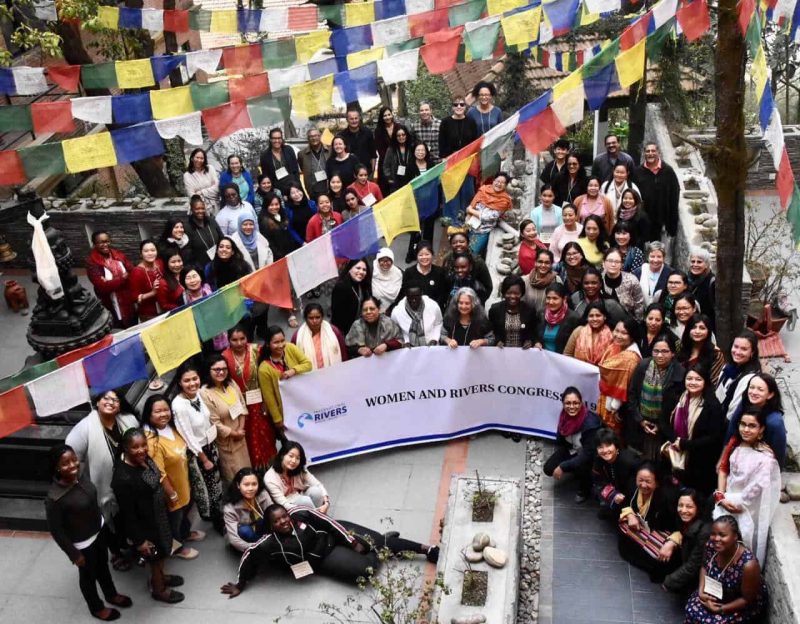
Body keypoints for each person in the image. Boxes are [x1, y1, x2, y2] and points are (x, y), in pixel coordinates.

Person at [220, 504, 439, 597]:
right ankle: (381, 546)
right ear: (271, 525)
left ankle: (425, 549)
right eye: (277, 521)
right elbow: (249, 555)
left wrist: (352, 542)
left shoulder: (300, 513)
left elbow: (329, 522)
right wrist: (240, 584)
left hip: (336, 534)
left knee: (376, 541)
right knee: (366, 573)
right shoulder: (268, 541)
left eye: (285, 517)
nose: (284, 522)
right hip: (322, 558)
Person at [46, 444, 132, 621]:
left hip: (99, 532)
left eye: (73, 460)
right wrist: (74, 554)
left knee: (103, 567)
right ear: (56, 467)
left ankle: (111, 594)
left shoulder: (81, 475)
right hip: (83, 544)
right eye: (65, 463)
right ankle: (96, 607)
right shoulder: (55, 498)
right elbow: (56, 531)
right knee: (88, 576)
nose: (72, 465)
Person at [65, 390, 138, 570]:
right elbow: (72, 456)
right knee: (108, 522)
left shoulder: (128, 421)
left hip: (128, 482)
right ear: (97, 402)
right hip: (101, 486)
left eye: (115, 399)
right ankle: (116, 553)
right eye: (106, 398)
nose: (111, 402)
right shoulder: (84, 429)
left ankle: (132, 544)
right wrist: (83, 482)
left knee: (128, 516)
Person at [111, 429, 185, 604]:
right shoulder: (123, 478)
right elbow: (128, 514)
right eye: (135, 447)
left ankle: (160, 576)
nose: (141, 450)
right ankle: (159, 590)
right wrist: (140, 541)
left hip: (158, 515)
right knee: (154, 555)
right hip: (145, 525)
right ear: (125, 449)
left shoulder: (144, 459)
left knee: (162, 551)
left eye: (144, 445)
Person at [715, 410, 781, 565]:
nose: (746, 429)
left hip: (746, 511)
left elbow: (756, 489)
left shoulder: (765, 458)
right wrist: (721, 496)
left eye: (752, 426)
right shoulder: (735, 443)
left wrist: (735, 503)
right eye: (743, 424)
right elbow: (724, 469)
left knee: (738, 551)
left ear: (761, 429)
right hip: (725, 502)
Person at [140, 395, 199, 560]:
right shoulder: (152, 440)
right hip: (171, 489)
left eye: (166, 410)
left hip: (183, 482)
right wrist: (171, 493)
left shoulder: (170, 427)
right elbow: (159, 472)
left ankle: (185, 533)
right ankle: (177, 547)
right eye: (158, 411)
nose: (163, 414)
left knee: (183, 514)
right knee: (174, 518)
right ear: (149, 414)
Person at [683, 515, 767, 622]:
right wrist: (701, 592)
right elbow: (704, 567)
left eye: (722, 535)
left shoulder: (748, 565)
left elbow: (747, 599)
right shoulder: (711, 546)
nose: (716, 539)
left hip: (738, 603)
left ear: (735, 536)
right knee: (691, 610)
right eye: (713, 534)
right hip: (716, 592)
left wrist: (720, 609)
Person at [171, 362, 224, 533]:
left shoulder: (198, 394)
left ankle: (219, 513)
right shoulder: (179, 405)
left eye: (195, 378)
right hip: (198, 452)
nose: (192, 383)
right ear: (179, 382)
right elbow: (187, 435)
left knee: (216, 483)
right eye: (187, 380)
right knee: (209, 489)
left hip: (210, 445)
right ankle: (217, 521)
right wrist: (204, 458)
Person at [661, 364, 724, 494]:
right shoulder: (677, 397)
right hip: (675, 454)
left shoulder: (712, 405)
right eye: (689, 379)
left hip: (699, 461)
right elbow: (663, 421)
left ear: (705, 381)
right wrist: (675, 440)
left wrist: (685, 444)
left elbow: (713, 437)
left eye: (698, 379)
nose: (693, 382)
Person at [222, 326, 277, 473]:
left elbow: (266, 371)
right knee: (248, 437)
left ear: (247, 338)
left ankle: (271, 466)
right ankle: (255, 471)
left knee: (265, 433)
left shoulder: (256, 350)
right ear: (228, 341)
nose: (239, 343)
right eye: (234, 340)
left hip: (259, 400)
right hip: (238, 404)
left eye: (242, 339)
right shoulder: (225, 357)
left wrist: (267, 399)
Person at [625, 335, 686, 459]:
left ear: (673, 353)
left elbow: (678, 406)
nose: (659, 355)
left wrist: (661, 424)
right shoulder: (643, 366)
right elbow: (632, 394)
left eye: (665, 351)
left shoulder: (680, 373)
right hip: (640, 424)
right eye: (656, 351)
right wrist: (640, 420)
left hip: (665, 428)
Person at [617, 463, 679, 578]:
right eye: (640, 480)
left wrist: (672, 542)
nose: (643, 485)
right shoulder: (632, 486)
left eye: (648, 481)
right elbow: (625, 503)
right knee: (623, 524)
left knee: (661, 555)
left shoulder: (666, 498)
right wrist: (630, 515)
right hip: (641, 527)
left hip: (661, 530)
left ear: (657, 482)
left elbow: (678, 525)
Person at [544, 387, 603, 503]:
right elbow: (561, 438)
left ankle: (585, 488)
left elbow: (588, 453)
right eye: (568, 403)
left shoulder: (590, 424)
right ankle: (574, 469)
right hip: (572, 449)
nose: (571, 407)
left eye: (575, 403)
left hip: (589, 456)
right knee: (548, 468)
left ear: (581, 403)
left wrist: (562, 466)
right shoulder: (564, 417)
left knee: (583, 466)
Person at [200, 355, 251, 483]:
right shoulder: (204, 393)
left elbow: (242, 406)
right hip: (227, 442)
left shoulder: (231, 384)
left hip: (240, 437)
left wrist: (240, 429)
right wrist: (234, 433)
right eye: (216, 369)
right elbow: (214, 422)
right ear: (208, 370)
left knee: (247, 473)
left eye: (224, 369)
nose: (221, 372)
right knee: (235, 478)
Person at [257, 326, 312, 438]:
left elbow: (308, 364)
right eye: (276, 342)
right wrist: (278, 420)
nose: (281, 345)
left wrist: (293, 370)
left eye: (282, 341)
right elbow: (269, 397)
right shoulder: (264, 368)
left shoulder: (291, 348)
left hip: (303, 403)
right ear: (268, 344)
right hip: (285, 412)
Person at [724, 373, 787, 467]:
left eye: (760, 389)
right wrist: (723, 460)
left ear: (770, 394)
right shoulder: (744, 404)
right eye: (751, 387)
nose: (753, 392)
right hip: (738, 458)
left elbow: (779, 453)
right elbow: (731, 430)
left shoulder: (774, 422)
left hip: (760, 467)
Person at [661, 490, 712, 594]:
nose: (683, 510)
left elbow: (693, 565)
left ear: (698, 508)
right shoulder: (682, 520)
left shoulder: (704, 532)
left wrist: (669, 582)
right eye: (680, 505)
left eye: (689, 507)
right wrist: (673, 541)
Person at [597, 319, 642, 435]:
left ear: (632, 336)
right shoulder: (613, 347)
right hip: (604, 398)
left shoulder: (631, 359)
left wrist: (619, 409)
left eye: (624, 333)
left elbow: (627, 387)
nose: (618, 335)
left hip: (618, 408)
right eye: (616, 330)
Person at [86, 231, 135, 328]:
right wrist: (123, 278)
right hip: (110, 301)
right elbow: (102, 286)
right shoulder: (91, 261)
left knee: (132, 324)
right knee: (118, 327)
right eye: (101, 242)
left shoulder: (118, 255)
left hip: (127, 299)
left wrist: (110, 282)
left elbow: (132, 271)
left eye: (107, 241)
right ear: (94, 244)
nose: (105, 245)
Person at [635, 142, 680, 243]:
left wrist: (672, 223)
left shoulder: (668, 171)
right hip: (644, 221)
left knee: (659, 253)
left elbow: (674, 196)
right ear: (644, 153)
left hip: (662, 222)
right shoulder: (638, 172)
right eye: (648, 151)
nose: (650, 153)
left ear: (658, 152)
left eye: (653, 151)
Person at [263, 441, 328, 510]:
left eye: (298, 458)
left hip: (299, 494)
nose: (294, 461)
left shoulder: (299, 468)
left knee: (316, 491)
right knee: (305, 501)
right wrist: (314, 511)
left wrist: (326, 503)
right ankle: (317, 518)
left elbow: (318, 484)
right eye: (291, 456)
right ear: (282, 455)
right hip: (286, 506)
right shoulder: (270, 478)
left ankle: (320, 515)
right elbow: (284, 504)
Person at [591, 428, 641, 516]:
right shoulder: (599, 460)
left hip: (632, 495)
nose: (605, 450)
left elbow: (636, 487)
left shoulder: (628, 461)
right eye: (600, 447)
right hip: (616, 493)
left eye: (608, 445)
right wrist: (613, 494)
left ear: (616, 446)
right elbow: (598, 481)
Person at [223, 467, 273, 553]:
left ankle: (266, 543)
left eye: (254, 484)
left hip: (258, 526)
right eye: (246, 484)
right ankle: (263, 546)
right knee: (245, 530)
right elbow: (234, 539)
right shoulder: (229, 508)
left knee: (268, 518)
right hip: (243, 534)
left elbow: (273, 514)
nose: (250, 488)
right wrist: (257, 547)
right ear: (238, 485)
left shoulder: (263, 494)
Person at [180, 267, 228, 353]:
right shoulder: (182, 299)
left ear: (201, 277)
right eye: (188, 278)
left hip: (216, 335)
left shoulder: (212, 291)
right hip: (197, 340)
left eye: (195, 276)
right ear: (184, 281)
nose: (192, 281)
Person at [716, 330, 761, 420]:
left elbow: (733, 411)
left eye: (744, 349)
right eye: (736, 347)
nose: (737, 352)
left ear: (752, 352)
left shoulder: (749, 378)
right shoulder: (728, 366)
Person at [465, 172, 513, 256]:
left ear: (505, 186)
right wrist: (467, 221)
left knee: (471, 254)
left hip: (482, 232)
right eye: (497, 181)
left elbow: (488, 217)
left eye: (502, 183)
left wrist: (471, 210)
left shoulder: (504, 200)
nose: (498, 184)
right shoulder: (484, 190)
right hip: (470, 226)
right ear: (493, 181)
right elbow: (472, 204)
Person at [397, 242, 452, 312]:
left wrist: (434, 309)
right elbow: (404, 292)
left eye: (427, 254)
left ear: (432, 255)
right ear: (416, 256)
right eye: (421, 255)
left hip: (434, 310)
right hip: (414, 310)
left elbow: (443, 294)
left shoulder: (440, 272)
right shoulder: (409, 272)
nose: (424, 257)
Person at [292, 303, 348, 368]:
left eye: (317, 317)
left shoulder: (334, 331)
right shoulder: (298, 337)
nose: (314, 321)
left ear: (322, 317)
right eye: (311, 318)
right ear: (306, 319)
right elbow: (293, 359)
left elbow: (343, 354)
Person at [489, 275, 538, 349]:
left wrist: (530, 341)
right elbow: (491, 331)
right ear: (504, 292)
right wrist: (497, 341)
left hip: (523, 353)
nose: (512, 296)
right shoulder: (495, 310)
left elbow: (534, 332)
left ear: (522, 293)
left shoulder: (529, 310)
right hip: (501, 353)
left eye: (516, 293)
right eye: (508, 293)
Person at [442, 231, 493, 296]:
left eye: (462, 242)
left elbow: (488, 286)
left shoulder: (478, 262)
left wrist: (478, 302)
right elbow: (444, 282)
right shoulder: (448, 259)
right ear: (451, 245)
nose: (458, 244)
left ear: (468, 243)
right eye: (454, 243)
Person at [563, 301, 614, 365]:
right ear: (587, 318)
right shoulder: (578, 331)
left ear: (604, 317)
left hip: (602, 373)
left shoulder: (612, 335)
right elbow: (567, 354)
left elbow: (615, 360)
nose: (594, 319)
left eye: (598, 315)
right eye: (591, 316)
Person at [680, 314, 725, 385]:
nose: (697, 331)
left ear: (708, 331)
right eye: (694, 327)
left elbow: (714, 382)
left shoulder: (715, 354)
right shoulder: (682, 349)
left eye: (702, 328)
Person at [534, 283, 580, 353]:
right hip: (543, 358)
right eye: (548, 298)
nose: (551, 302)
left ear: (564, 299)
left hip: (562, 360)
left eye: (555, 298)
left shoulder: (573, 318)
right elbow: (535, 335)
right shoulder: (541, 314)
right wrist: (536, 342)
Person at [600, 248, 645, 319]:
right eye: (610, 261)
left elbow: (639, 306)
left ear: (621, 264)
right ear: (603, 263)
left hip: (627, 323)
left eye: (617, 262)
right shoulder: (598, 279)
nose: (613, 264)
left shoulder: (632, 280)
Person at [331, 258, 372, 334]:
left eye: (364, 270)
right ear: (350, 269)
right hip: (343, 332)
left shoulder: (362, 286)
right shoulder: (341, 287)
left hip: (359, 330)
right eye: (358, 268)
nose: (361, 272)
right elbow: (338, 316)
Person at [129, 239, 163, 322]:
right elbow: (135, 298)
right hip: (148, 315)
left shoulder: (160, 263)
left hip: (164, 308)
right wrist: (153, 292)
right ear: (141, 254)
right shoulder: (137, 272)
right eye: (146, 251)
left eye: (153, 250)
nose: (150, 253)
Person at [259, 127, 301, 196]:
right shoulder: (265, 156)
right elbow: (267, 177)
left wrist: (297, 187)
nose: (277, 140)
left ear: (282, 139)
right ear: (270, 139)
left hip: (294, 188)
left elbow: (295, 170)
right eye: (274, 138)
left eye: (279, 138)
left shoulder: (289, 150)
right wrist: (274, 193)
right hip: (278, 190)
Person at [259, 193, 300, 261]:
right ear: (266, 206)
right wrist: (281, 257)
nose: (274, 207)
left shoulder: (283, 214)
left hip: (291, 252)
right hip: (280, 258)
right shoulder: (264, 221)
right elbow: (269, 243)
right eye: (271, 205)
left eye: (276, 204)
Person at [185, 195, 224, 268]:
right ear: (192, 209)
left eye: (202, 208)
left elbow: (221, 237)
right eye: (197, 209)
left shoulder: (211, 221)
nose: (200, 211)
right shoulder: (188, 228)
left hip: (218, 262)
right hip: (201, 266)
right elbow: (188, 252)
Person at [522, 248, 562, 315]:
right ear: (535, 262)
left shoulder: (557, 280)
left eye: (547, 263)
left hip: (549, 320)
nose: (543, 265)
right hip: (528, 319)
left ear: (551, 264)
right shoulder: (525, 281)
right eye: (540, 262)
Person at [338, 109, 377, 176]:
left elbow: (373, 154)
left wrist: (372, 172)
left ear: (359, 119)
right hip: (349, 173)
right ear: (347, 120)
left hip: (366, 173)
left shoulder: (368, 133)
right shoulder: (342, 136)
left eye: (356, 118)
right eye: (351, 119)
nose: (354, 121)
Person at [633, 241, 672, 306]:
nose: (655, 260)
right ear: (647, 257)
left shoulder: (670, 273)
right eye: (652, 256)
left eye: (659, 257)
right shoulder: (638, 272)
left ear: (664, 257)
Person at [297, 127, 331, 199]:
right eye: (311, 136)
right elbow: (303, 168)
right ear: (308, 138)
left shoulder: (329, 150)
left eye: (316, 135)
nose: (314, 138)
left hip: (329, 187)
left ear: (320, 136)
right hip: (313, 190)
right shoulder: (302, 154)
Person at [688, 248, 717, 330]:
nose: (695, 264)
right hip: (690, 325)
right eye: (692, 261)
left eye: (699, 262)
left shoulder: (713, 283)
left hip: (706, 328)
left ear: (707, 264)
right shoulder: (687, 280)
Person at [184, 148, 219, 214]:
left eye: (202, 158)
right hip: (198, 209)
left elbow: (217, 187)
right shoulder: (187, 175)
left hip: (214, 207)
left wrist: (201, 192)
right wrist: (210, 191)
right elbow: (192, 196)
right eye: (197, 157)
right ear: (192, 158)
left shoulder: (210, 168)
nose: (199, 160)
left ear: (204, 159)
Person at [375, 107, 402, 188]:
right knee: (386, 187)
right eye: (385, 115)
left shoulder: (399, 127)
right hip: (384, 162)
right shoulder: (378, 130)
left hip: (400, 160)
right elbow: (380, 149)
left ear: (392, 115)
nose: (387, 117)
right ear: (382, 117)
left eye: (389, 114)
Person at [382, 125, 414, 193]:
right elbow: (386, 165)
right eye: (398, 135)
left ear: (406, 135)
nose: (401, 137)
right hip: (395, 182)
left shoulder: (412, 147)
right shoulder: (391, 149)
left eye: (403, 135)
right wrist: (389, 178)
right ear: (395, 137)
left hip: (410, 180)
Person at [371, 247, 403, 312]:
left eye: (388, 260)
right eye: (382, 260)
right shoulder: (371, 271)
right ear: (378, 260)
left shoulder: (397, 273)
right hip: (372, 309)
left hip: (391, 310)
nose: (385, 263)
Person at [155, 247, 184, 311]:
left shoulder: (187, 275)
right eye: (173, 262)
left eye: (179, 261)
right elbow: (164, 305)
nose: (177, 264)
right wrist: (182, 307)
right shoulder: (162, 283)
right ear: (166, 264)